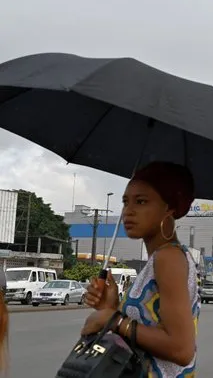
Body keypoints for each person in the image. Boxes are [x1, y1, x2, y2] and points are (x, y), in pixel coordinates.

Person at [82, 161, 199, 376]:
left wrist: (111, 318)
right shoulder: (160, 258)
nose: (128, 211)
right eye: (126, 202)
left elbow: (181, 349)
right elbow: (146, 328)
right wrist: (111, 306)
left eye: (141, 201)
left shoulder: (168, 258)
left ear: (169, 208)